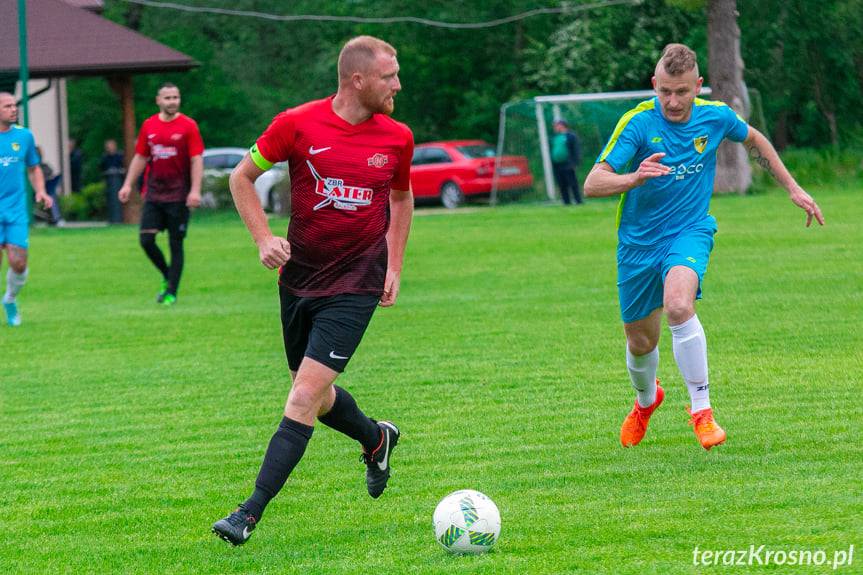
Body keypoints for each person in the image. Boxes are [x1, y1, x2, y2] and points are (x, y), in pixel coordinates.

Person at [212, 35, 414, 546]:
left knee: (301, 397)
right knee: (318, 398)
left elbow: (401, 196)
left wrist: (394, 262)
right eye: (389, 76)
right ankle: (376, 438)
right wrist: (263, 238)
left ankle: (247, 514)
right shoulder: (296, 124)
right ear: (357, 80)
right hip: (299, 280)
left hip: (356, 282)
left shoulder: (397, 138)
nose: (397, 84)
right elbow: (241, 177)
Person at [583, 44, 823, 451]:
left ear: (698, 86)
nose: (673, 102)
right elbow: (592, 183)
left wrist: (793, 187)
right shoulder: (638, 124)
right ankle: (646, 401)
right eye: (666, 92)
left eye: (682, 92)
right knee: (640, 342)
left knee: (679, 304)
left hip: (690, 230)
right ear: (654, 85)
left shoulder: (716, 118)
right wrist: (634, 179)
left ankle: (702, 411)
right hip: (638, 244)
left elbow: (755, 140)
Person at [118, 83, 203, 306]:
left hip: (179, 196)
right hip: (154, 194)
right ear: (158, 101)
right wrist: (127, 184)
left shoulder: (188, 126)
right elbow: (140, 157)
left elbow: (196, 159)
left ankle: (171, 292)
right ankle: (168, 275)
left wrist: (195, 190)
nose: (172, 101)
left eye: (175, 97)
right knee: (146, 240)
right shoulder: (149, 125)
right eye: (167, 98)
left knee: (176, 245)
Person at [0, 92, 53, 326]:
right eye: (7, 106)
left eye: (14, 105)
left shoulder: (24, 136)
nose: (13, 109)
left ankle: (10, 299)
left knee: (19, 263)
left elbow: (34, 167)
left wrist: (40, 191)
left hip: (16, 210)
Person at [551, 119, 583, 205]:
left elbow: (576, 150)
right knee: (562, 184)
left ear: (562, 125)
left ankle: (578, 201)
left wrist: (575, 163)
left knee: (573, 183)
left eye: (556, 125)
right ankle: (566, 202)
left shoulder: (570, 136)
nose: (555, 127)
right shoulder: (555, 137)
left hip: (568, 164)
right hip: (558, 165)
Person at [101, 139, 125, 224]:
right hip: (110, 183)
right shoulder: (104, 157)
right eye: (108, 147)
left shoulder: (120, 156)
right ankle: (112, 218)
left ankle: (119, 218)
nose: (109, 148)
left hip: (118, 182)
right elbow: (102, 168)